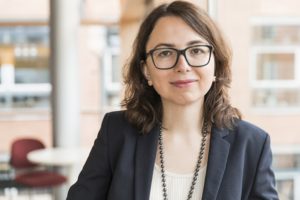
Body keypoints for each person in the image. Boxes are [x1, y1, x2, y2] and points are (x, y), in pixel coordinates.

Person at [66, 1, 279, 200]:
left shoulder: (252, 144)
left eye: (196, 50)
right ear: (146, 70)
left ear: (216, 65)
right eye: (165, 52)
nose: (183, 65)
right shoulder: (116, 132)